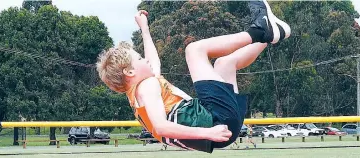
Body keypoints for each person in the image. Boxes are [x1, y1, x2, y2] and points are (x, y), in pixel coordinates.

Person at [96, 0, 290, 153]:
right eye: (139, 58)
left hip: (224, 125)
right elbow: (161, 127)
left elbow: (154, 63)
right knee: (194, 50)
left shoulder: (139, 92)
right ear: (130, 72)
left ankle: (272, 35)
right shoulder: (146, 87)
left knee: (225, 64)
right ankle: (259, 30)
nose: (144, 59)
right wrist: (208, 132)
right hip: (214, 123)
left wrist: (145, 30)